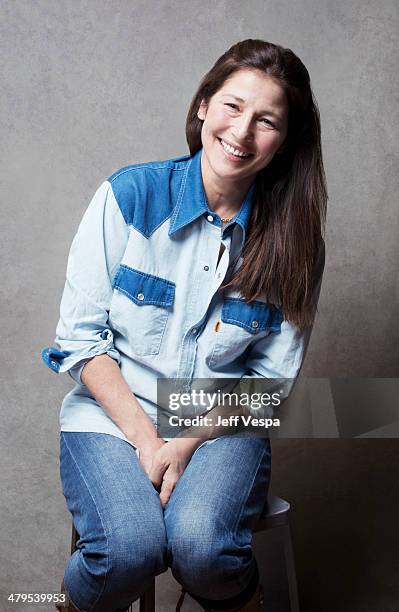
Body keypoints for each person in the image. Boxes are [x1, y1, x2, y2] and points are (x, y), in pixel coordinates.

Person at [42, 39, 327, 612]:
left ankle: (248, 599)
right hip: (110, 414)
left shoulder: (296, 243)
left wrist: (187, 440)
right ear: (203, 106)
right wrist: (150, 443)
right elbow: (80, 343)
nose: (242, 133)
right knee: (128, 549)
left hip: (221, 422)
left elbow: (269, 385)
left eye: (266, 120)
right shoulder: (129, 195)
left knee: (202, 548)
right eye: (232, 106)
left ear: (285, 140)